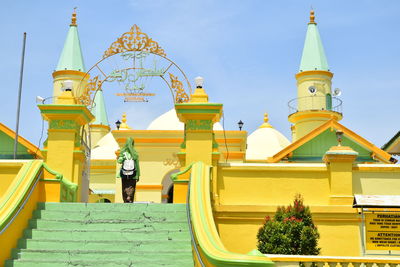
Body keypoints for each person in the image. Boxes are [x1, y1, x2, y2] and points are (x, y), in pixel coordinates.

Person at [117, 137, 140, 203]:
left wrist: (120, 158)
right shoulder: (134, 153)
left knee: (124, 186)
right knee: (131, 186)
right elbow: (137, 165)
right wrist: (138, 175)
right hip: (133, 173)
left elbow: (119, 161)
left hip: (124, 173)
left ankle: (125, 199)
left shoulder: (123, 152)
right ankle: (130, 197)